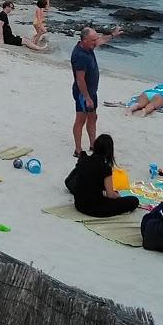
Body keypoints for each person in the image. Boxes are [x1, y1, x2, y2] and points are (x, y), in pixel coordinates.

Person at [69, 25, 124, 157]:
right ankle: (78, 150)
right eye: (93, 40)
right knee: (81, 120)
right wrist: (87, 98)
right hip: (83, 93)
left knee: (93, 117)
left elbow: (100, 41)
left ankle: (93, 145)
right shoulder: (80, 55)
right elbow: (80, 80)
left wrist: (112, 35)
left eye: (95, 39)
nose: (96, 42)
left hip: (92, 92)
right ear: (84, 40)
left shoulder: (89, 46)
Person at [66, 134, 140, 218]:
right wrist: (118, 195)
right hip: (95, 208)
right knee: (134, 200)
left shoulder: (83, 159)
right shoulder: (105, 168)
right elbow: (110, 195)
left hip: (79, 204)